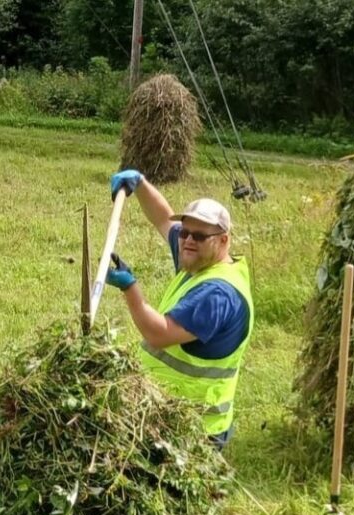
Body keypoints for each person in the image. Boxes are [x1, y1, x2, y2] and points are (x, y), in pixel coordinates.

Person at [106, 170, 254, 449]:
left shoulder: (217, 294)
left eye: (198, 236)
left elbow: (158, 334)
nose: (187, 241)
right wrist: (140, 184)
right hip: (166, 416)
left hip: (194, 431)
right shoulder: (200, 260)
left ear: (223, 240)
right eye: (185, 232)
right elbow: (163, 219)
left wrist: (130, 288)